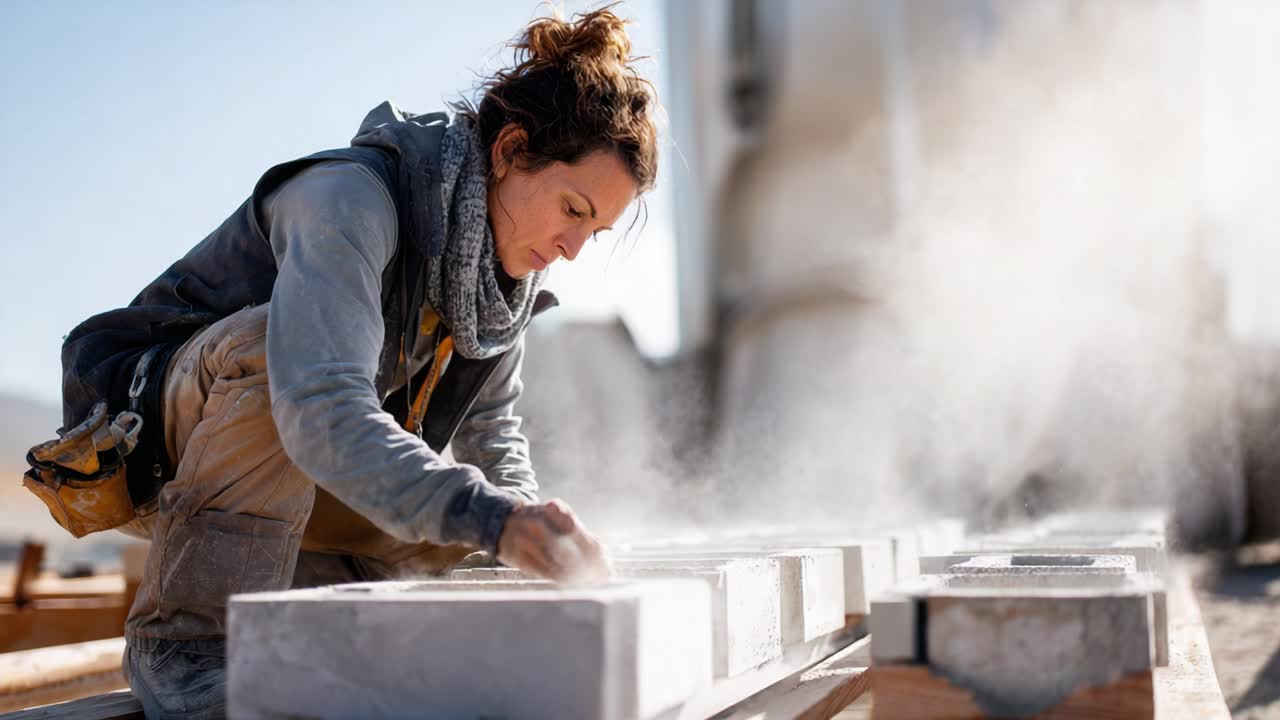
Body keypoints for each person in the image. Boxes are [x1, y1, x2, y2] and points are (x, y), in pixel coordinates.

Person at [35, 7, 657, 718]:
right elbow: (319, 407)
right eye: (573, 209)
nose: (573, 248)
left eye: (596, 232)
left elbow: (495, 442)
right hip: (158, 441)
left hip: (294, 464)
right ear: (512, 149)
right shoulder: (349, 199)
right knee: (276, 356)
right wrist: (491, 516)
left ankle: (313, 611)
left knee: (482, 537)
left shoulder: (498, 288)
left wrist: (530, 537)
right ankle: (187, 645)